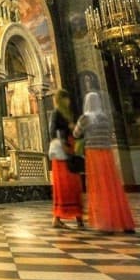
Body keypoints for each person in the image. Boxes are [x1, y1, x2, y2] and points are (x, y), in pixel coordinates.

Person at [74, 91, 135, 233]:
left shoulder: (85, 118)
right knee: (113, 187)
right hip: (107, 153)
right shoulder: (105, 118)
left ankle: (105, 222)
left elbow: (76, 134)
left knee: (97, 187)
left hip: (93, 153)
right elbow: (110, 134)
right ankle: (124, 222)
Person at [47, 89, 84, 229]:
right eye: (65, 99)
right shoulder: (56, 113)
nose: (68, 101)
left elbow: (73, 132)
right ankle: (57, 218)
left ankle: (79, 217)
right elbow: (52, 132)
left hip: (71, 149)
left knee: (75, 185)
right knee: (63, 186)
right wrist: (63, 143)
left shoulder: (69, 114)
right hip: (61, 152)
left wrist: (73, 129)